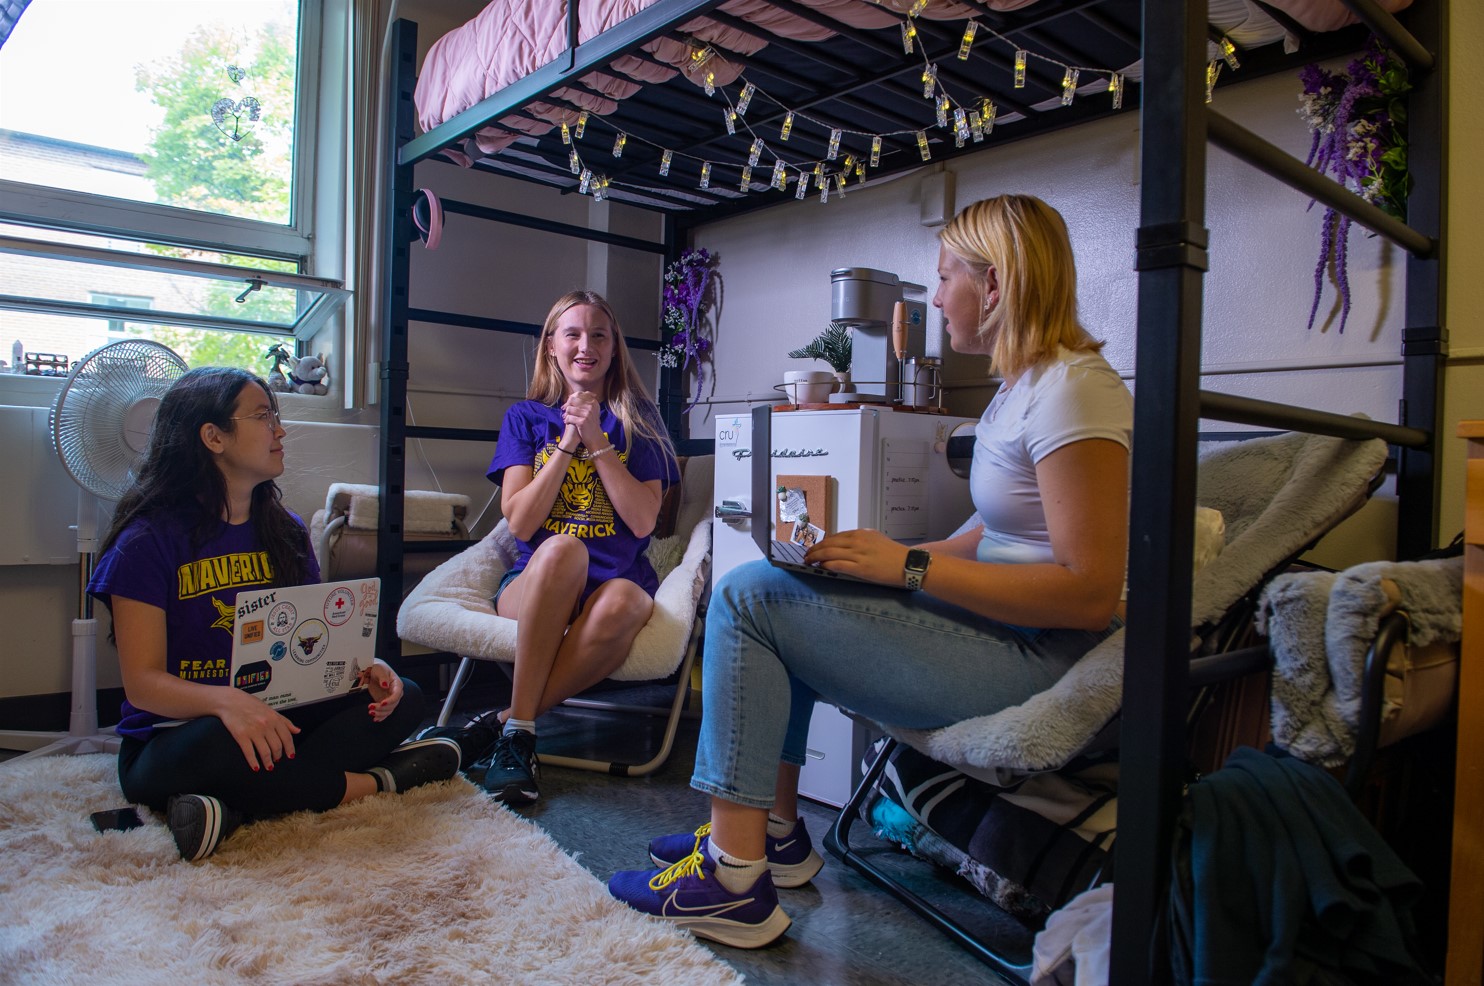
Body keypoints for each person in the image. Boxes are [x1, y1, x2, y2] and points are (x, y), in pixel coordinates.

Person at [607, 194, 1134, 948]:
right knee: (791, 591)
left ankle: (731, 881)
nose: (935, 295)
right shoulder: (1021, 389)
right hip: (995, 631)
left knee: (746, 599)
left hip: (1039, 659)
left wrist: (910, 568)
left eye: (947, 274)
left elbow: (1086, 592)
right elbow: (993, 535)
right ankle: (776, 834)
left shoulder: (1077, 388)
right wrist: (874, 567)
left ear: (996, 285)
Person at [88, 367, 460, 862]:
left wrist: (366, 671)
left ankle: (228, 808)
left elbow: (314, 645)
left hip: (277, 713)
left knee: (405, 697)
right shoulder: (146, 543)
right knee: (225, 744)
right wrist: (227, 704)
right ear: (213, 436)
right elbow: (143, 685)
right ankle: (379, 782)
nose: (280, 430)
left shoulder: (283, 529)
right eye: (263, 416)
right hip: (179, 737)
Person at [433, 290, 680, 805]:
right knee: (564, 548)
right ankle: (519, 730)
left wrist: (598, 440)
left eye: (598, 335)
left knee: (631, 600)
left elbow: (642, 521)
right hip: (535, 584)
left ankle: (508, 726)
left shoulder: (641, 419)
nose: (585, 345)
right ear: (551, 345)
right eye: (572, 333)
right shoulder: (526, 418)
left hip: (610, 592)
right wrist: (568, 441)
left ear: (614, 350)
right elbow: (521, 524)